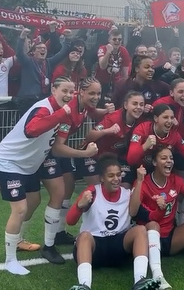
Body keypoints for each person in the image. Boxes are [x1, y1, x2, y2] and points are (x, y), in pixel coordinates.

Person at [0, 76, 74, 275]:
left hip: (28, 166)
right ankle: (10, 260)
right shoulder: (44, 108)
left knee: (34, 201)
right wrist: (62, 114)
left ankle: (18, 240)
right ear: (53, 90)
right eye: (64, 90)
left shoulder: (63, 111)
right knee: (20, 209)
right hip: (9, 163)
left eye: (71, 92)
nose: (68, 95)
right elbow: (32, 130)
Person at [39, 77, 111, 264]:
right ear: (81, 92)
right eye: (92, 93)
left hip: (55, 150)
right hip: (45, 151)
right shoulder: (69, 111)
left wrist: (107, 111)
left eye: (99, 93)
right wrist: (84, 153)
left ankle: (60, 232)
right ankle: (48, 245)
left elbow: (94, 111)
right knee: (59, 193)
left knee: (68, 189)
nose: (96, 97)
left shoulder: (84, 105)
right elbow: (57, 147)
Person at [67, 153, 160, 290]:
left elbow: (136, 213)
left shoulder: (127, 193)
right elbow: (70, 221)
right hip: (95, 249)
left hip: (118, 248)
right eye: (111, 176)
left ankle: (139, 281)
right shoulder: (92, 192)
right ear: (101, 178)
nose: (116, 179)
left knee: (140, 230)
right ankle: (84, 285)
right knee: (84, 236)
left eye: (119, 174)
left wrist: (140, 182)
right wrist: (79, 205)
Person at [131, 148, 184, 289]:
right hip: (147, 239)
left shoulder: (176, 180)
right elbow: (132, 211)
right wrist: (139, 182)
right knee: (154, 224)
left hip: (170, 238)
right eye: (164, 158)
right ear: (154, 162)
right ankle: (158, 276)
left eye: (171, 158)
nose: (169, 161)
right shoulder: (144, 182)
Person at [81, 91, 146, 188]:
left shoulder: (141, 120)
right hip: (94, 156)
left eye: (142, 104)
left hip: (116, 159)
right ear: (125, 105)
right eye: (134, 104)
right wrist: (107, 131)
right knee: (98, 190)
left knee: (124, 188)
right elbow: (89, 136)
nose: (139, 107)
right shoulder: (113, 118)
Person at [127, 104, 184, 172]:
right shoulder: (142, 129)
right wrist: (145, 146)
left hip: (160, 170)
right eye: (165, 117)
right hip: (140, 169)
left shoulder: (174, 135)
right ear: (156, 118)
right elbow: (130, 159)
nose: (170, 121)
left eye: (172, 117)